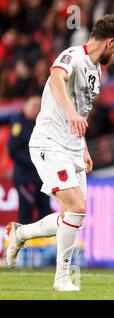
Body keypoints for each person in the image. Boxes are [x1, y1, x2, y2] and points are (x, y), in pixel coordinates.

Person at [5, 15, 114, 291]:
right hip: (49, 143)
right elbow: (56, 78)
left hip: (72, 148)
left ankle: (20, 232)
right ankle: (61, 279)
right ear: (109, 42)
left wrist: (83, 148)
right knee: (77, 207)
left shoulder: (97, 71)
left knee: (74, 215)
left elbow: (81, 111)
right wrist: (71, 114)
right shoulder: (73, 56)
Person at [8, 96, 51, 224]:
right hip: (25, 177)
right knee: (26, 214)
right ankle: (23, 242)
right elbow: (13, 150)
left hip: (42, 177)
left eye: (39, 107)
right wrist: (34, 161)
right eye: (33, 106)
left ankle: (46, 244)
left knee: (46, 213)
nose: (36, 109)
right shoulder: (18, 122)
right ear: (26, 105)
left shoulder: (42, 123)